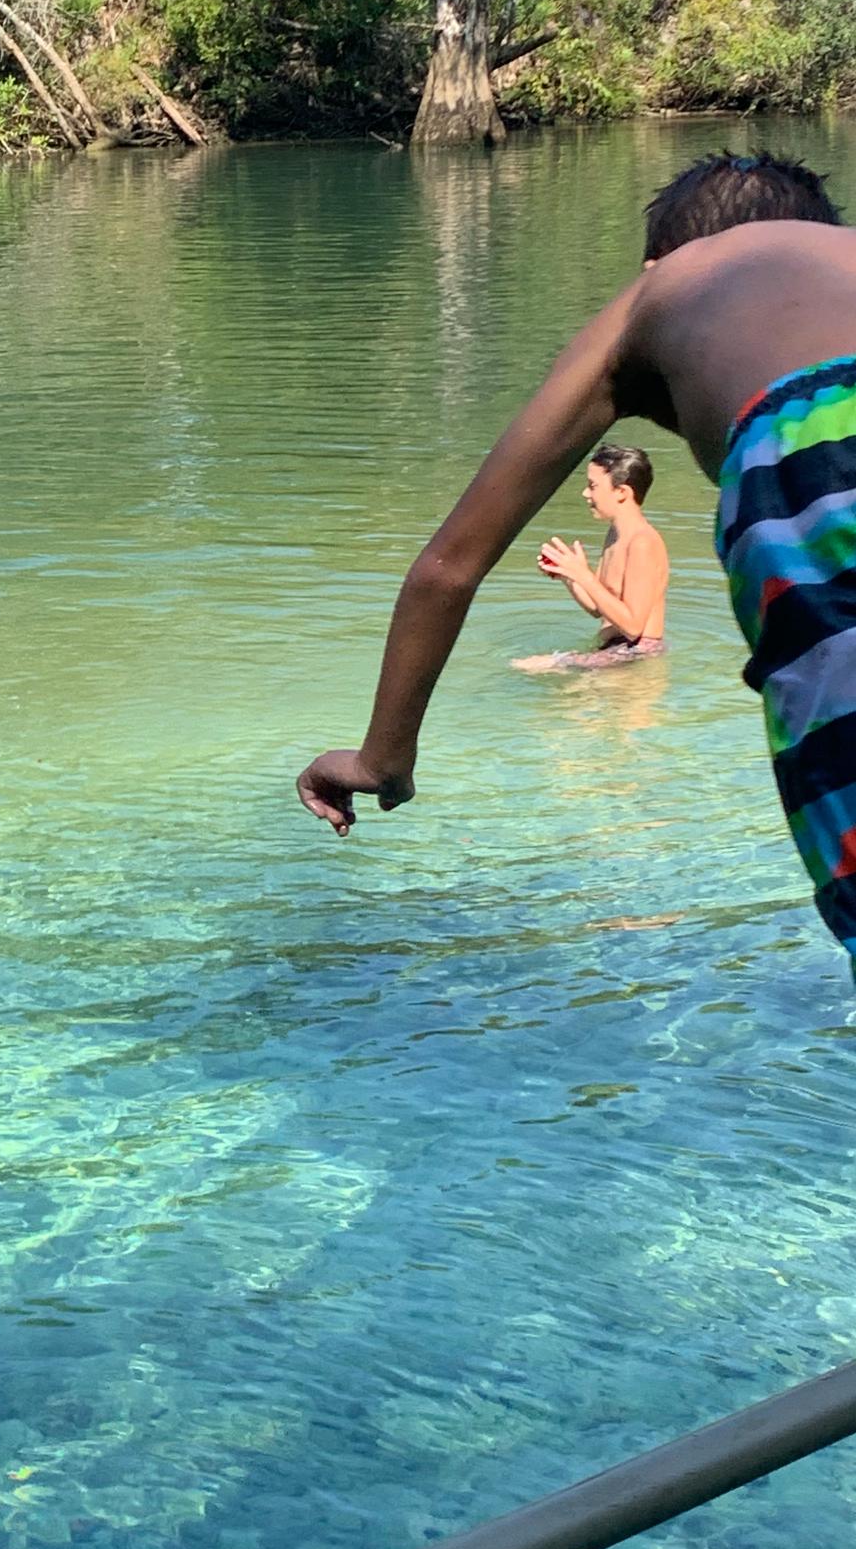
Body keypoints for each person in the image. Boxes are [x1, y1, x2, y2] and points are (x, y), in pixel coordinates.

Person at [296, 149, 856, 968]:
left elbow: (448, 568)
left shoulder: (662, 291)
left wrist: (381, 759)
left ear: (657, 263)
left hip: (820, 441)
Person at [513, 443, 668, 671]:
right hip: (616, 652)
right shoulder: (615, 533)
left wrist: (583, 575)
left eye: (592, 486)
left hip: (637, 657)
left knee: (529, 668)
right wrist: (569, 576)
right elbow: (597, 608)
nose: (585, 493)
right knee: (533, 673)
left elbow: (633, 626)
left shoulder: (642, 543)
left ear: (622, 493)